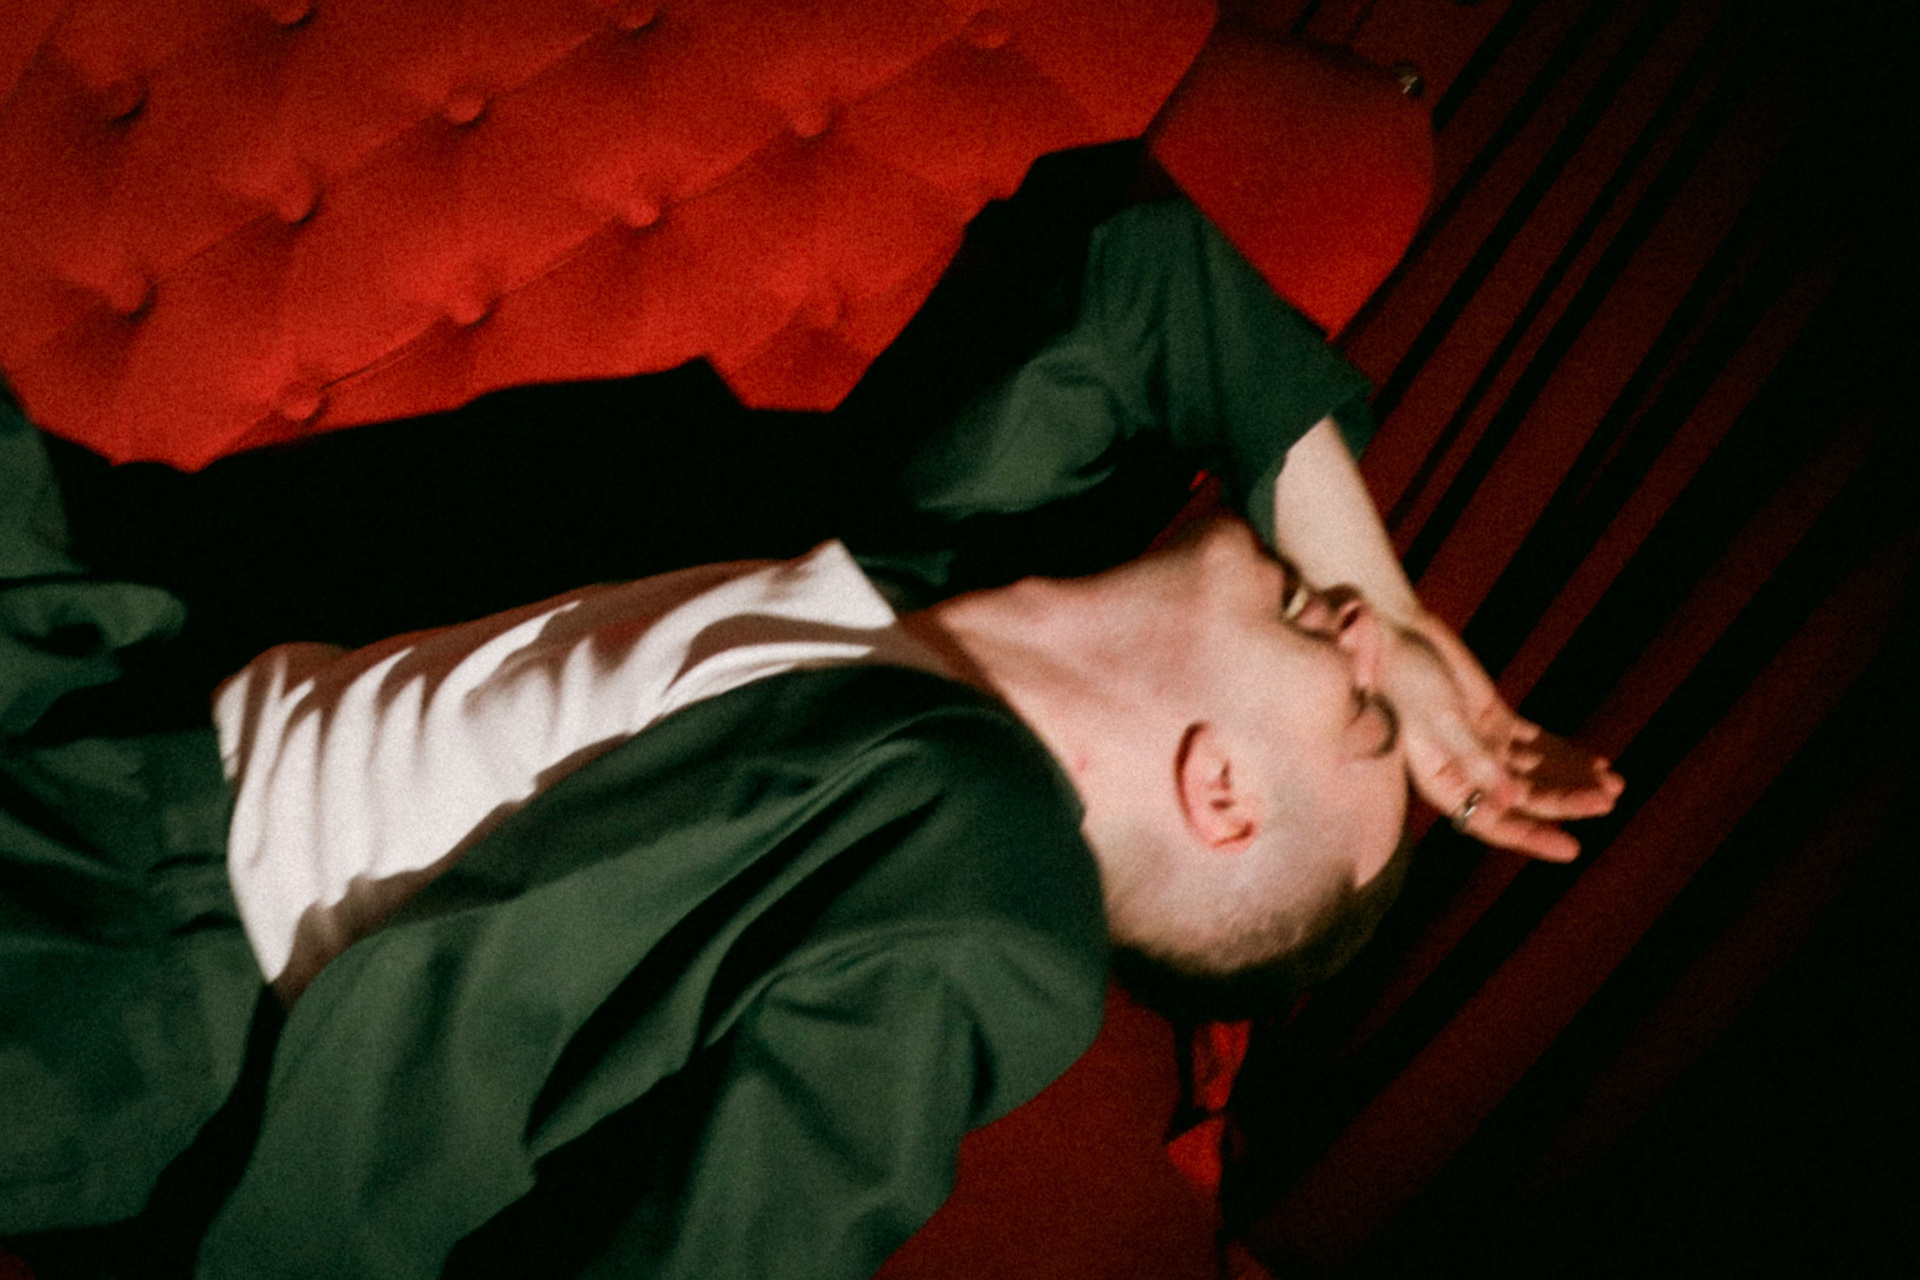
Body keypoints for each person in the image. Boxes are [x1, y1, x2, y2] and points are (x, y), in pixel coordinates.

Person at [1, 188, 1619, 1279]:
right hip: (116, 688)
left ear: (1221, 796)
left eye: (1357, 710)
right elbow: (1131, 257)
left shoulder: (987, 899)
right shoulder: (920, 569)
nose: (1361, 650)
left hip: (131, 983)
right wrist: (1387, 600)